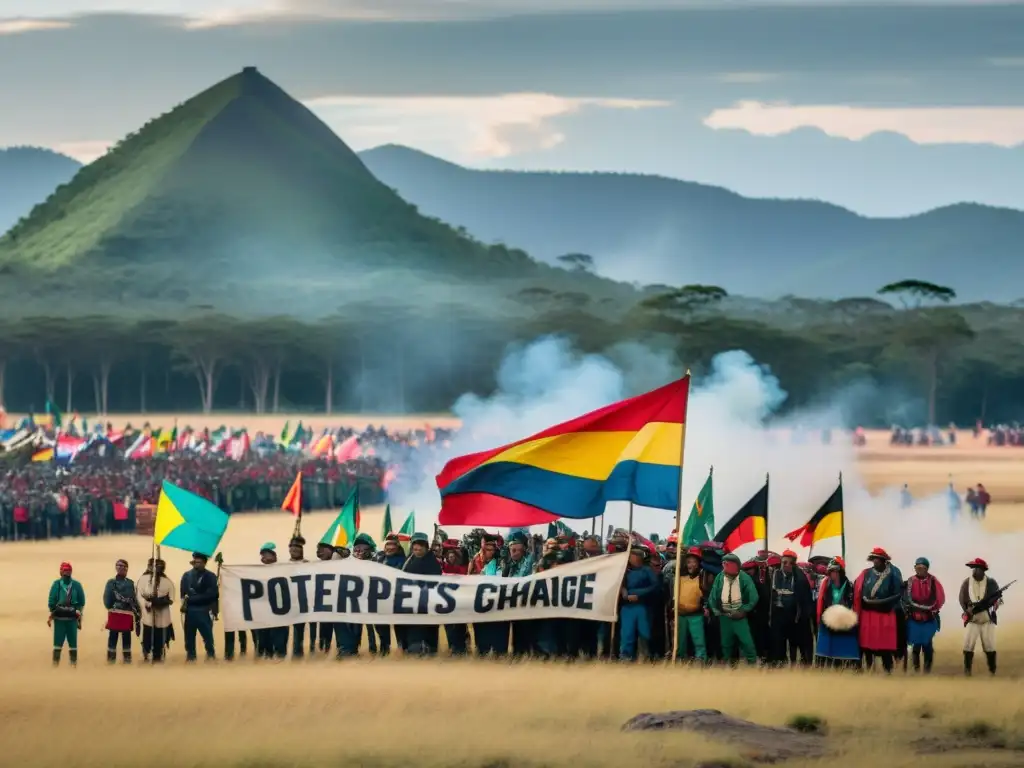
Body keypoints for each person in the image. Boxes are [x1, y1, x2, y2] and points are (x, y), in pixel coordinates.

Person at [853, 547, 903, 673]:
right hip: (868, 613)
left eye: (878, 559)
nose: (875, 561)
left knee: (885, 643)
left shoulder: (894, 573)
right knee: (866, 643)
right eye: (874, 559)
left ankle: (888, 669)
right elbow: (858, 589)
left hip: (885, 614)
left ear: (883, 560)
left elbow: (898, 593)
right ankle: (868, 668)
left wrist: (881, 602)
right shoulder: (866, 573)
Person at [709, 553, 759, 665]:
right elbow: (713, 595)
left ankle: (753, 664)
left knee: (747, 642)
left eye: (728, 564)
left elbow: (754, 597)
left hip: (739, 616)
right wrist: (717, 611)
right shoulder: (720, 577)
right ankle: (727, 665)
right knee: (725, 643)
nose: (725, 566)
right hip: (724, 616)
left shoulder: (744, 578)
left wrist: (744, 610)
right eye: (724, 563)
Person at [769, 549, 814, 667]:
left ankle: (799, 664)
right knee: (778, 641)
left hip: (794, 615)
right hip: (778, 613)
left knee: (797, 642)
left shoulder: (800, 578)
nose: (787, 565)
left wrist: (804, 615)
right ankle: (780, 664)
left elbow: (806, 599)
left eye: (790, 563)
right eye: (784, 562)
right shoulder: (775, 574)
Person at [401, 532, 443, 655]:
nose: (417, 548)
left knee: (426, 636)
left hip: (426, 606)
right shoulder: (409, 560)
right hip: (411, 606)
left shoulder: (432, 563)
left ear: (426, 547)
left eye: (421, 545)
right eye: (415, 544)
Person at [814, 557, 859, 669]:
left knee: (844, 644)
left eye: (834, 571)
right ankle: (826, 666)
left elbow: (852, 603)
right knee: (826, 644)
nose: (831, 574)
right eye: (830, 571)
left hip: (843, 619)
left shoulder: (849, 585)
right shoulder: (825, 584)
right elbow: (821, 601)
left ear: (839, 572)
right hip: (828, 618)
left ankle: (845, 666)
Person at [902, 557, 945, 674]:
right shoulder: (910, 581)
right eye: (917, 567)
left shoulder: (933, 581)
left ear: (926, 569)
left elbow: (939, 598)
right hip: (914, 618)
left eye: (922, 568)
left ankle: (927, 671)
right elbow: (906, 598)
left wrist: (932, 608)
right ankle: (916, 670)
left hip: (928, 618)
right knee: (916, 646)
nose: (919, 570)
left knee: (927, 645)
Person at [959, 558, 1001, 676]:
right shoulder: (967, 582)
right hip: (973, 619)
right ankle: (967, 671)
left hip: (987, 619)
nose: (974, 570)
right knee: (968, 645)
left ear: (983, 570)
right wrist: (967, 610)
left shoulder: (991, 583)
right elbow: (962, 598)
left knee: (989, 646)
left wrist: (993, 606)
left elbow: (997, 600)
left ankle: (992, 671)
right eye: (974, 568)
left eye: (977, 568)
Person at [473, 534, 510, 657]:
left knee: (498, 636)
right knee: (482, 636)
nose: (491, 552)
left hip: (497, 602)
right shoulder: (475, 561)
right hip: (480, 602)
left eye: (493, 549)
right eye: (488, 549)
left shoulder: (500, 562)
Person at [673, 546, 710, 663]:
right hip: (680, 614)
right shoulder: (679, 577)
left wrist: (706, 607)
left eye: (694, 562)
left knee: (698, 638)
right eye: (689, 562)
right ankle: (679, 656)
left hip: (696, 614)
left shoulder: (702, 577)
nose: (691, 565)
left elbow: (705, 595)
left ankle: (701, 658)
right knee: (679, 639)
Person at [179, 551, 218, 661]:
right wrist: (189, 600)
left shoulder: (210, 576)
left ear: (204, 563)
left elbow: (212, 594)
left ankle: (210, 655)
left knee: (208, 637)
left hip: (204, 610)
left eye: (199, 562)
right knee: (189, 637)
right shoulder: (186, 576)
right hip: (190, 611)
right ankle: (191, 657)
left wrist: (194, 598)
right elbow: (183, 593)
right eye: (195, 562)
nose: (197, 564)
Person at [47, 561, 85, 666]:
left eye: (68, 570)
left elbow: (81, 601)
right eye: (64, 570)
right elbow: (51, 600)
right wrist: (54, 610)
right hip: (59, 619)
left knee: (73, 644)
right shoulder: (56, 584)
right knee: (57, 644)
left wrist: (78, 611)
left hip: (72, 619)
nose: (66, 573)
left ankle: (73, 665)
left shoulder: (76, 585)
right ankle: (55, 665)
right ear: (60, 571)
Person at [137, 558, 174, 662]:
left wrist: (159, 601)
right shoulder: (143, 579)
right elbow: (139, 596)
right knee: (147, 635)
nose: (157, 568)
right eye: (155, 566)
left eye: (160, 566)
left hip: (163, 615)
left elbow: (171, 599)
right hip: (148, 614)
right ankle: (146, 653)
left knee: (160, 636)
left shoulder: (167, 582)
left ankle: (159, 654)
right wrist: (147, 603)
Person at [102, 558, 139, 664]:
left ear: (127, 569)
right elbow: (107, 598)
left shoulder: (131, 583)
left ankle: (127, 659)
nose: (121, 568)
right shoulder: (111, 583)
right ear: (116, 568)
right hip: (114, 613)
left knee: (126, 637)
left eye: (123, 566)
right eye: (119, 565)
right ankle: (111, 659)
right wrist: (111, 607)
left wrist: (137, 612)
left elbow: (134, 598)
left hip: (127, 614)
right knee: (113, 636)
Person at [257, 543, 288, 659]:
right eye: (262, 555)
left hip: (280, 610)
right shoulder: (257, 571)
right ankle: (267, 656)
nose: (264, 557)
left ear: (274, 556)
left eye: (266, 554)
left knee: (279, 636)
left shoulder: (283, 569)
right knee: (264, 636)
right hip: (264, 610)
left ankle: (280, 656)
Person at [440, 539, 469, 655]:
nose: (451, 558)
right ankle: (452, 648)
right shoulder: (444, 567)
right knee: (449, 627)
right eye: (449, 556)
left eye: (454, 556)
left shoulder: (461, 568)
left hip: (460, 602)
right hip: (448, 602)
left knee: (460, 627)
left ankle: (462, 648)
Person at [287, 535, 315, 658]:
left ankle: (315, 651)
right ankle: (297, 653)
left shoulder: (309, 565)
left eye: (297, 547)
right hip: (295, 604)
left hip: (311, 602)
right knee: (298, 630)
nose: (294, 550)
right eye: (292, 548)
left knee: (314, 629)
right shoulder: (284, 566)